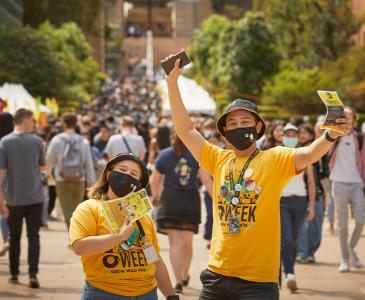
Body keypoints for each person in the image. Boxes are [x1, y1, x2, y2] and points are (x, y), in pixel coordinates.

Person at [163, 56, 350, 300]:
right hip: (217, 275)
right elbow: (186, 129)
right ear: (225, 132)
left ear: (258, 128)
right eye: (233, 123)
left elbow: (309, 153)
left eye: (245, 122)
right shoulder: (217, 158)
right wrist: (172, 84)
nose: (239, 127)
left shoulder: (275, 159)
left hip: (258, 282)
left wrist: (330, 136)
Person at [69, 153, 179, 300]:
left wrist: (171, 295)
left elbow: (154, 259)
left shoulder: (142, 217)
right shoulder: (89, 208)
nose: (127, 175)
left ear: (138, 185)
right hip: (104, 294)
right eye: (122, 169)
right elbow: (79, 247)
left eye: (134, 173)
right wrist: (120, 238)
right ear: (108, 173)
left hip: (147, 294)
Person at [150, 131, 201, 294]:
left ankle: (178, 280)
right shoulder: (196, 154)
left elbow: (155, 179)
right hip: (191, 200)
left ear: (172, 138)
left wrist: (155, 196)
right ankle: (185, 274)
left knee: (174, 243)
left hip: (170, 199)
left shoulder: (164, 154)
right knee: (187, 242)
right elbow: (206, 179)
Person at [0, 108, 46, 288]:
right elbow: (43, 170)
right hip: (35, 198)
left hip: (13, 199)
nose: (34, 123)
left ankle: (14, 274)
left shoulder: (4, 142)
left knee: (15, 237)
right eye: (32, 120)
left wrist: (2, 203)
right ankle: (33, 274)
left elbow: (1, 176)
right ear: (26, 120)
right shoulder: (37, 142)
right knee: (34, 236)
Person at [280, 123, 316, 292]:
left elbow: (310, 182)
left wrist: (312, 205)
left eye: (294, 134)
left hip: (300, 201)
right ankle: (289, 273)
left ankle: (285, 269)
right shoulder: (277, 154)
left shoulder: (303, 154)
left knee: (293, 240)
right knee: (286, 238)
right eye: (288, 134)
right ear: (282, 137)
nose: (291, 137)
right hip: (282, 202)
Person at [329, 106, 365, 273]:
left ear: (354, 119)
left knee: (360, 221)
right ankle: (345, 259)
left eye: (350, 115)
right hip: (338, 182)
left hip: (357, 183)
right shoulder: (333, 136)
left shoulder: (359, 138)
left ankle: (350, 248)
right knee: (342, 225)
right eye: (344, 116)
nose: (347, 118)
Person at [46, 112, 96, 231]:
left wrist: (47, 174)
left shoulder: (57, 140)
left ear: (63, 123)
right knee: (77, 208)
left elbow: (49, 160)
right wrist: (91, 181)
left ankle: (73, 235)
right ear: (76, 123)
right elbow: (88, 162)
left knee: (67, 209)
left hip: (61, 178)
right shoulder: (83, 141)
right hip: (79, 179)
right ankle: (76, 235)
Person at [297, 123, 329, 264]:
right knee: (302, 226)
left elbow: (324, 174)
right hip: (301, 193)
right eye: (301, 133)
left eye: (305, 133)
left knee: (316, 225)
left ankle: (311, 252)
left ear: (311, 135)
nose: (302, 135)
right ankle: (302, 252)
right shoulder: (294, 150)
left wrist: (327, 194)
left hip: (318, 193)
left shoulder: (320, 150)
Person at [0, 112, 13, 256]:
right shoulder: (13, 139)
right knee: (6, 208)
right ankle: (7, 237)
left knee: (2, 208)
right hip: (14, 178)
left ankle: (6, 238)